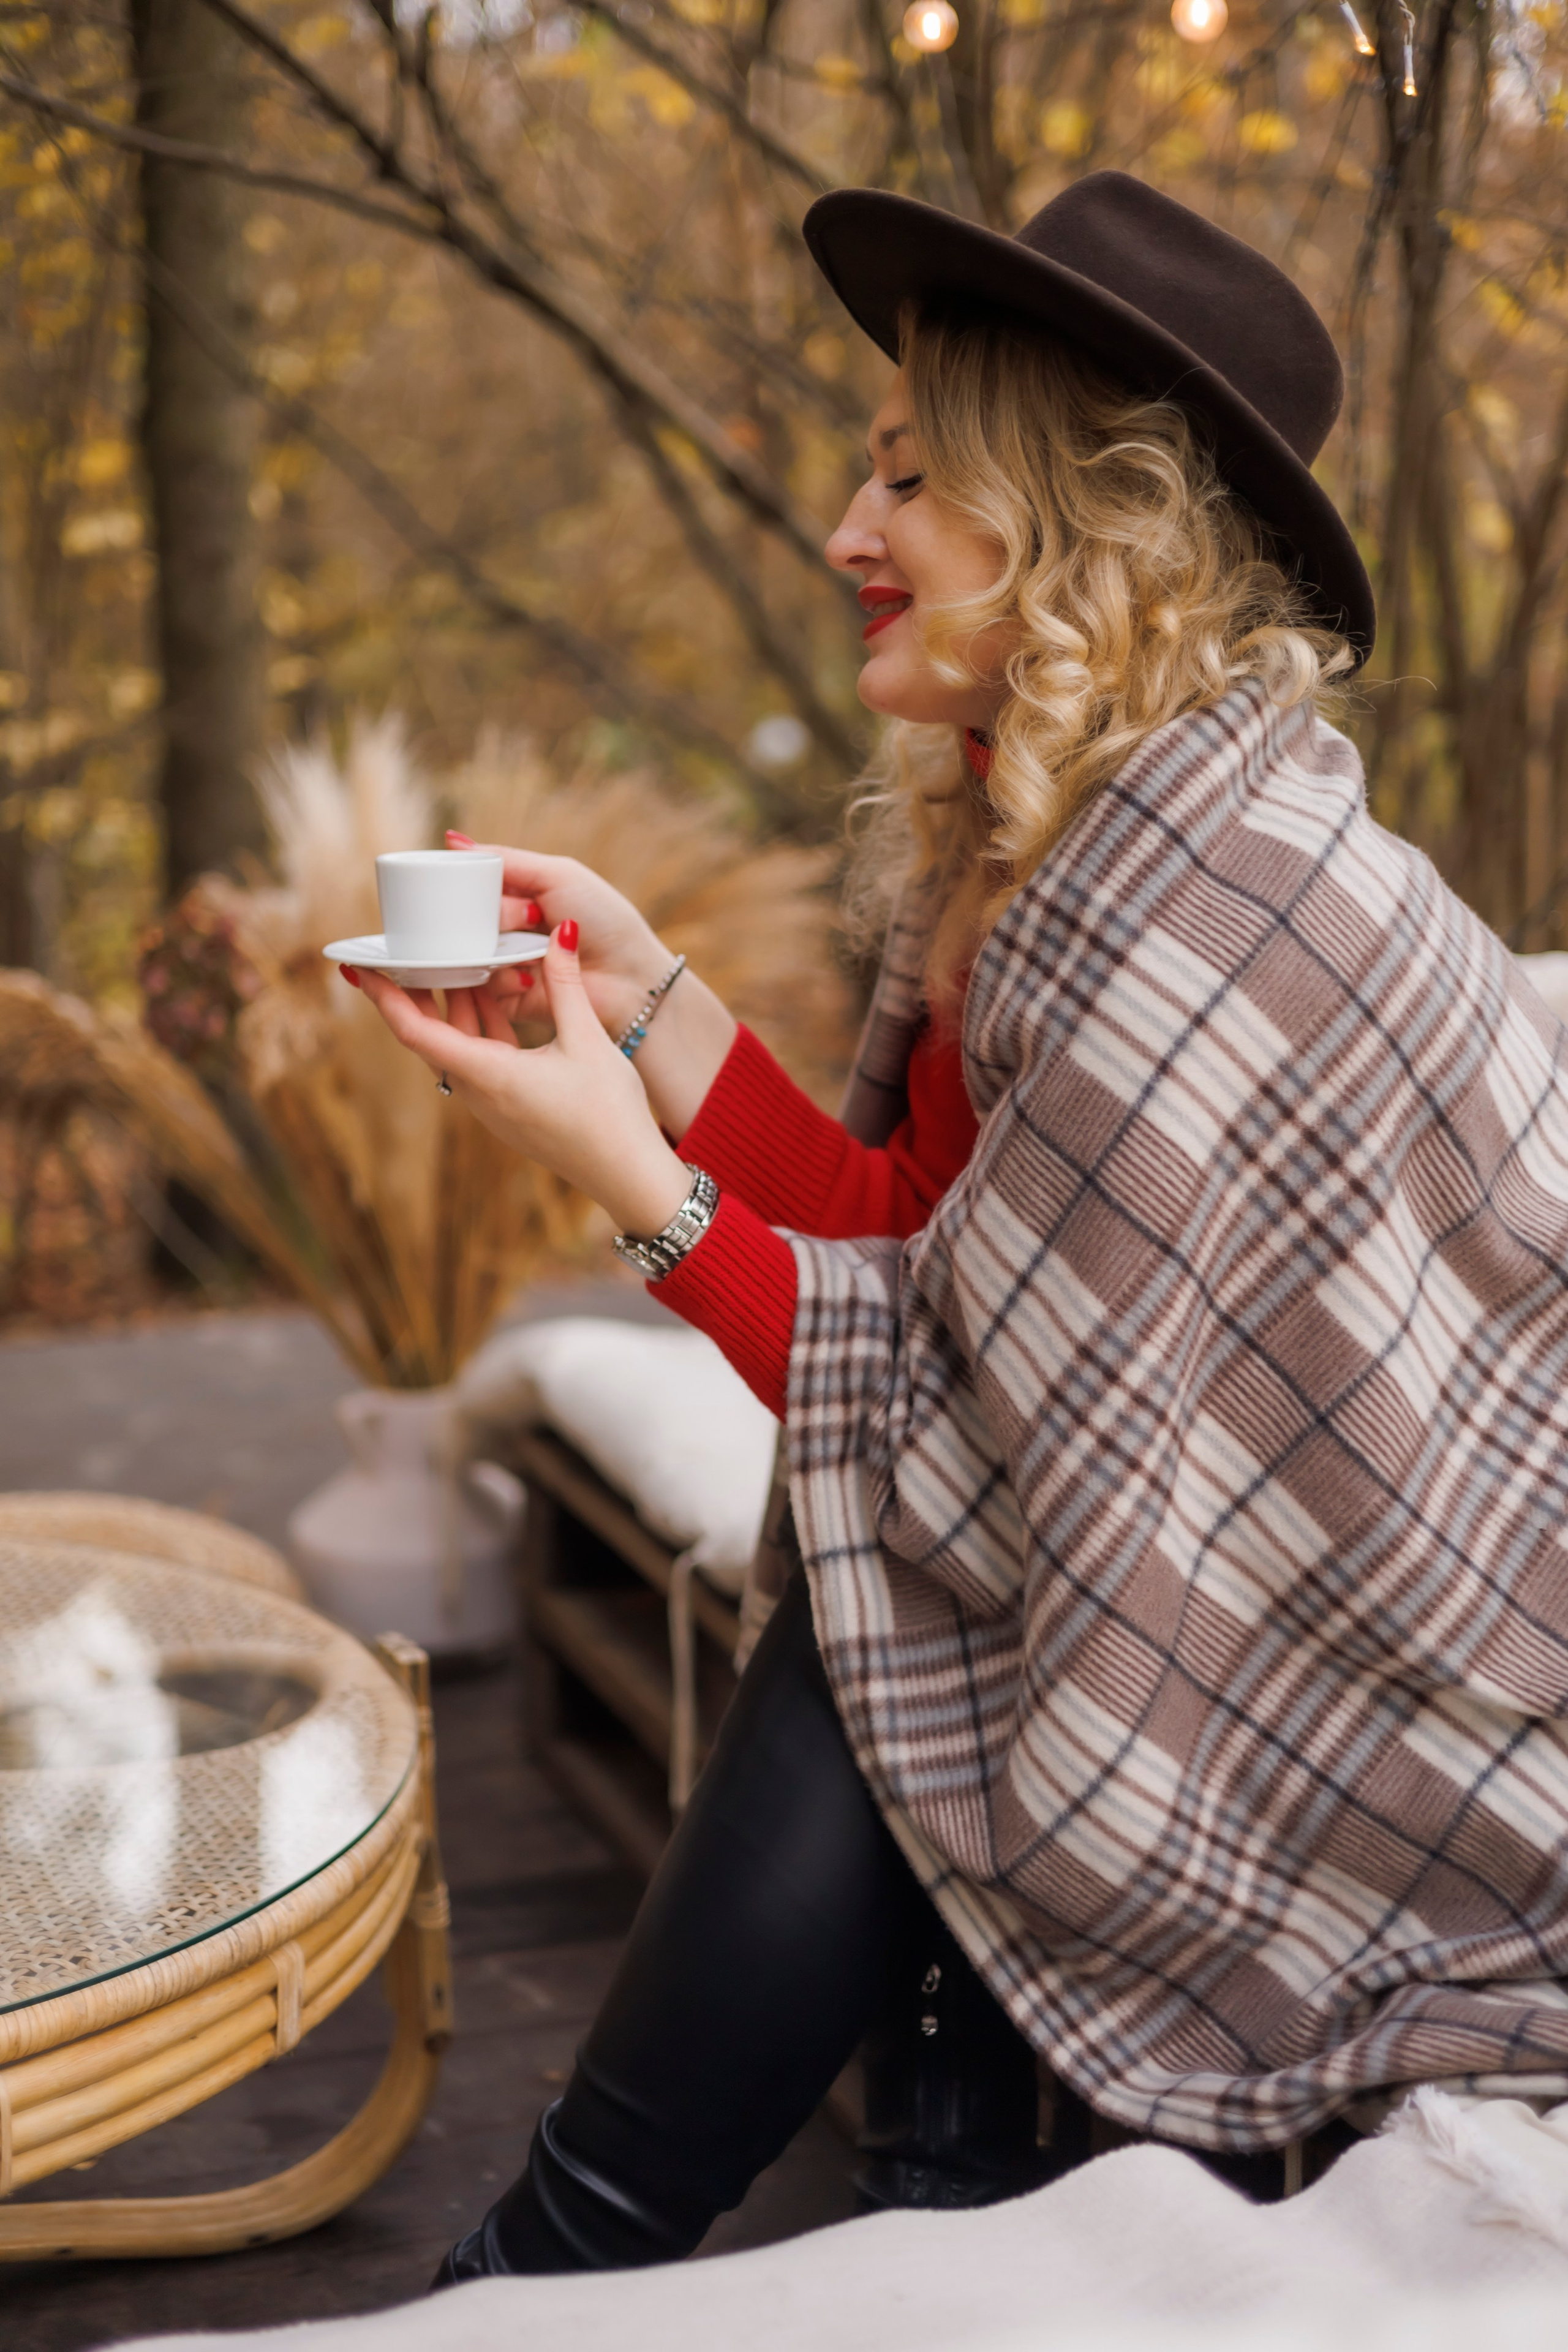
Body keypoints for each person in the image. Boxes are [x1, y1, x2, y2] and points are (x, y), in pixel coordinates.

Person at [352, 174, 1568, 2278]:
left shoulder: (1216, 905)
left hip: (1441, 1703)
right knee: (905, 1572)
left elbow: (979, 1438)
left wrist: (632, 1182)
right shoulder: (1052, 840)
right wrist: (650, 1013)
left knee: (902, 1581)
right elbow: (942, 1268)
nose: (849, 528)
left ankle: (579, 2257)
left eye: (912, 476)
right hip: (1244, 1619)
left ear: (1090, 526)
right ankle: (864, 2208)